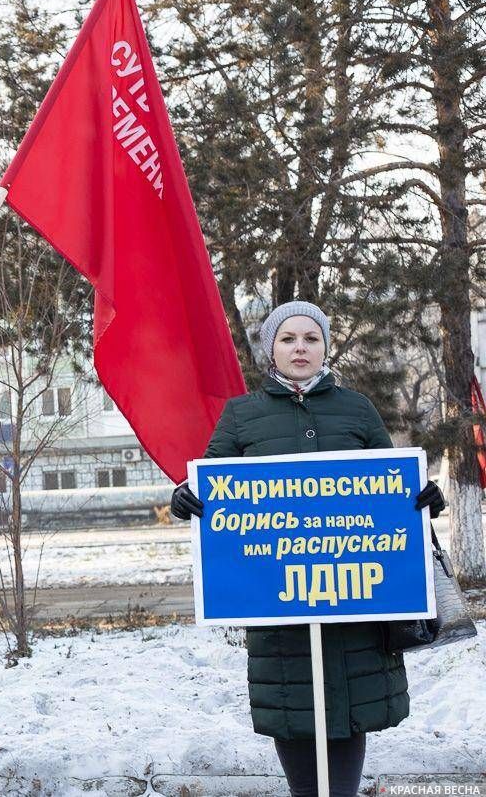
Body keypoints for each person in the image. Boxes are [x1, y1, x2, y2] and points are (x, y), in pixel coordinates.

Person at [171, 301, 446, 797]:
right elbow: (211, 489)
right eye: (288, 339)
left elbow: (391, 487)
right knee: (295, 712)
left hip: (356, 604)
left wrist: (425, 499)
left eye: (311, 338)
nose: (300, 348)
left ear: (324, 346)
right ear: (270, 350)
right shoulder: (242, 416)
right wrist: (185, 498)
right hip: (280, 609)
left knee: (349, 711)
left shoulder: (357, 408)